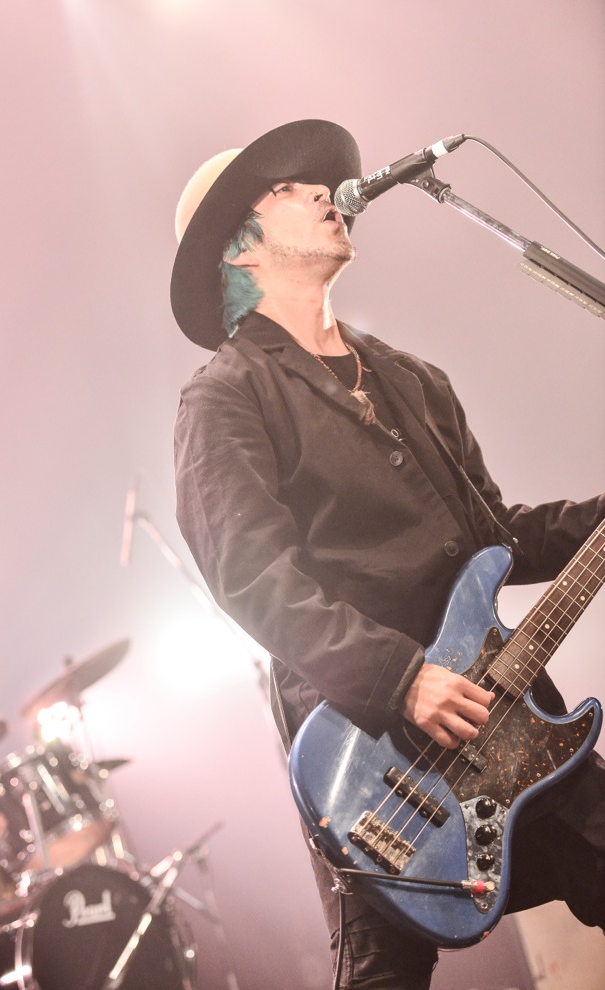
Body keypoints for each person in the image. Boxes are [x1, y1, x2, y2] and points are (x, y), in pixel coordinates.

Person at [170, 120, 605, 989]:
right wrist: (400, 677)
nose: (322, 191)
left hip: (505, 719)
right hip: (373, 758)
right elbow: (252, 579)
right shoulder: (225, 396)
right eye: (288, 187)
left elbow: (496, 537)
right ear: (240, 248)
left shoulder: (413, 379)